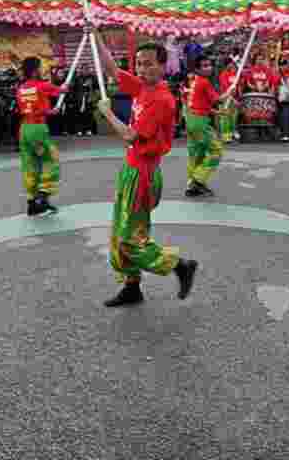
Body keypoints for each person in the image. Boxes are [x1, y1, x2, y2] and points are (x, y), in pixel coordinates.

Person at [89, 28, 198, 308]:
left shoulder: (161, 99)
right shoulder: (142, 88)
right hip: (131, 168)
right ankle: (132, 286)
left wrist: (108, 113)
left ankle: (179, 265)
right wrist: (95, 35)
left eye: (150, 63)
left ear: (163, 66)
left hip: (144, 173)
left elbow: (129, 136)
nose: (143, 68)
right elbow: (112, 70)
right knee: (121, 231)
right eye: (139, 63)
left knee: (129, 239)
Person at [16, 56, 67, 215]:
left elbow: (28, 108)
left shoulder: (21, 88)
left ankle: (32, 202)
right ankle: (42, 197)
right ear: (35, 70)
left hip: (24, 129)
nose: (42, 69)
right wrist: (63, 87)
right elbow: (62, 90)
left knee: (30, 164)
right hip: (38, 128)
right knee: (50, 160)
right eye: (40, 67)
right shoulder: (42, 86)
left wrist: (49, 111)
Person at [184, 54, 234, 197]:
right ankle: (197, 180)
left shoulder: (196, 81)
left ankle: (193, 185)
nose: (209, 68)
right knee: (216, 150)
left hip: (192, 120)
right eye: (204, 66)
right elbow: (218, 100)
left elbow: (199, 103)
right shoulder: (204, 82)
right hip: (199, 123)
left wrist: (216, 113)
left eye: (209, 65)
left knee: (196, 153)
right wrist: (230, 91)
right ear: (197, 69)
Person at [217, 58, 241, 143]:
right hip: (226, 99)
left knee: (233, 118)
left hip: (234, 100)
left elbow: (237, 87)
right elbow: (226, 88)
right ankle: (225, 135)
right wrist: (232, 99)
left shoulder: (235, 74)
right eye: (230, 64)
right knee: (225, 117)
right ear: (226, 65)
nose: (231, 65)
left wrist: (238, 98)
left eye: (232, 64)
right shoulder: (223, 75)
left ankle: (231, 134)